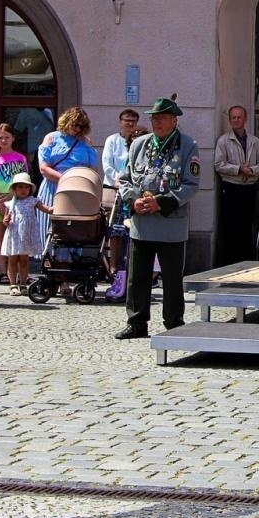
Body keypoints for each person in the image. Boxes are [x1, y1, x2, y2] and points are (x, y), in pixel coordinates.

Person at [114, 96, 200, 340]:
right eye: (154, 118)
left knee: (172, 278)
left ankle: (174, 322)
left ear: (174, 120)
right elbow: (125, 179)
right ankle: (137, 322)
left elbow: (191, 184)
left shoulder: (187, 145)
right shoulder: (139, 144)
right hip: (142, 222)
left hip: (170, 222)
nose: (157, 123)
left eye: (162, 118)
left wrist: (160, 202)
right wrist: (134, 199)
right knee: (137, 276)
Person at [36, 108, 99, 247]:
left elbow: (93, 170)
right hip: (54, 185)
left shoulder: (86, 141)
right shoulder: (51, 137)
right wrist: (66, 180)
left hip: (78, 187)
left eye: (81, 126)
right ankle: (47, 258)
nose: (77, 129)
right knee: (51, 225)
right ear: (66, 121)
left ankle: (71, 260)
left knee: (74, 227)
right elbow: (44, 168)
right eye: (74, 124)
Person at [213, 105, 259, 265]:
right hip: (231, 187)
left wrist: (252, 170)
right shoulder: (224, 140)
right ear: (230, 120)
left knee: (247, 225)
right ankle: (229, 261)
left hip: (249, 188)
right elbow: (219, 165)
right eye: (233, 118)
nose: (236, 120)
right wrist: (238, 169)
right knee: (230, 225)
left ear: (245, 119)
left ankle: (246, 260)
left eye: (239, 117)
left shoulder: (254, 142)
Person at [0, 123, 28, 284]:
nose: (3, 140)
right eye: (0, 137)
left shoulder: (20, 158)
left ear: (13, 138)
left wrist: (11, 195)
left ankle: (17, 272)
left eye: (7, 137)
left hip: (16, 201)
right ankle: (3, 272)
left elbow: (25, 181)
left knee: (17, 236)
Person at [101, 109, 140, 291]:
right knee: (114, 231)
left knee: (129, 231)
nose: (130, 124)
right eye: (127, 120)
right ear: (120, 122)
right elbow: (107, 164)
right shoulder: (112, 140)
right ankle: (113, 266)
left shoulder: (139, 142)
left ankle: (129, 268)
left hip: (131, 192)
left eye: (133, 121)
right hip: (113, 189)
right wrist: (118, 180)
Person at [0, 173, 49, 295]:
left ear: (30, 189)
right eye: (20, 187)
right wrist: (5, 221)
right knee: (12, 260)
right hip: (14, 235)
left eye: (26, 187)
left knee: (24, 260)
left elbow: (47, 209)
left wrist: (57, 207)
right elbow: (5, 220)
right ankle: (12, 284)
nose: (23, 190)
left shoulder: (33, 201)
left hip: (26, 235)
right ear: (15, 189)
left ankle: (23, 283)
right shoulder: (10, 204)